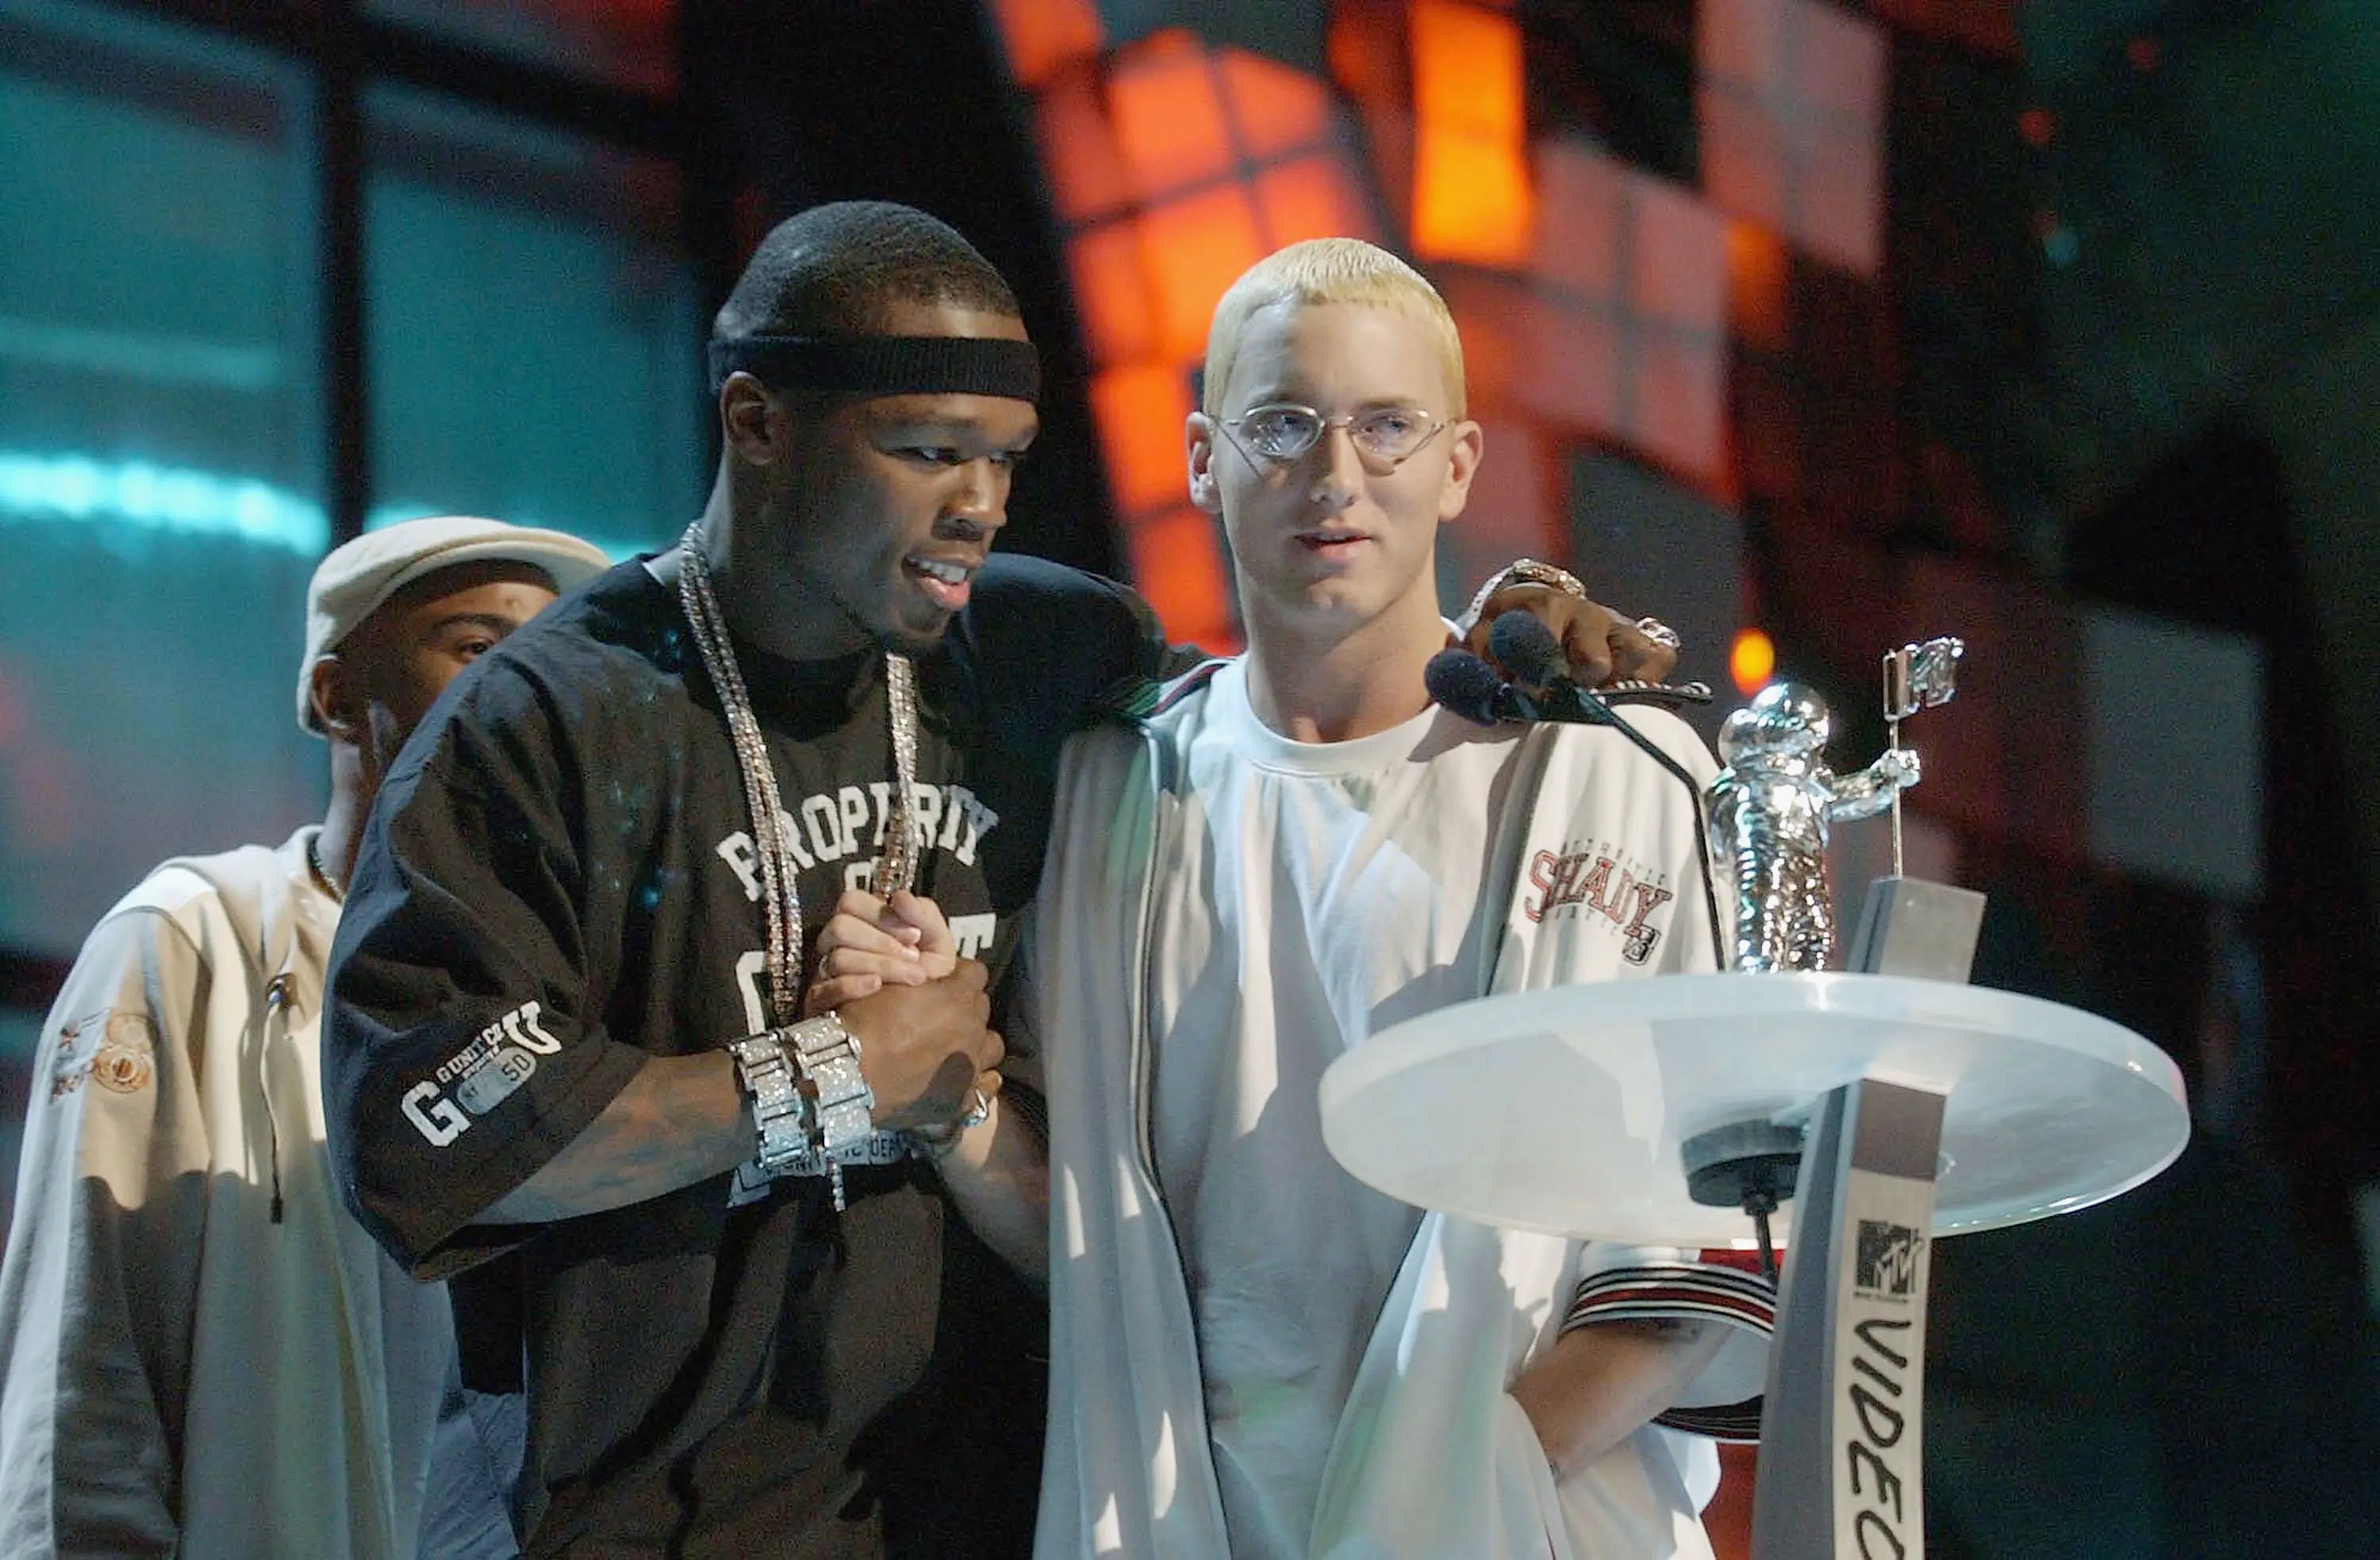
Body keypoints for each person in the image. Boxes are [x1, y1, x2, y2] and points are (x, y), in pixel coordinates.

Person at [321, 201, 1674, 1558]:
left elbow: (1304, 709)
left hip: (960, 1501)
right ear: (757, 423)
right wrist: (834, 1074)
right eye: (925, 453)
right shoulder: (549, 720)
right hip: (617, 1508)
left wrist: (1511, 620)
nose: (975, 507)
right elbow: (419, 1124)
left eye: (1004, 460)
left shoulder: (1033, 651)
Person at [1019, 239, 1775, 1558]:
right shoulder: (1104, 794)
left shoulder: (1608, 768)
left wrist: (1475, 1477)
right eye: (1283, 424)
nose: (1337, 475)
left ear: (1460, 464)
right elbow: (1080, 1221)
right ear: (1201, 456)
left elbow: (1711, 1240)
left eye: (1386, 426)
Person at [0, 516, 611, 1559]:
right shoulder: (190, 940)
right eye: (477, 646)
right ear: (337, 697)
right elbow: (87, 1378)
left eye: (551, 662)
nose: (526, 693)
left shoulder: (595, 996)